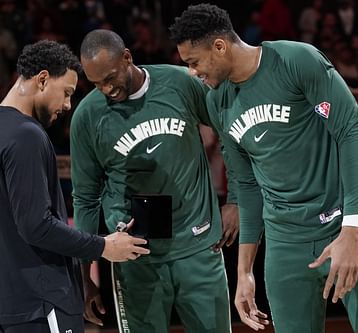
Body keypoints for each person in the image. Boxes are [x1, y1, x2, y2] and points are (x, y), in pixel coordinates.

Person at [169, 3, 358, 333]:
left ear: (220, 46)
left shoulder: (296, 60)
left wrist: (352, 228)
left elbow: (350, 130)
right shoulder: (217, 101)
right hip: (285, 243)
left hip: (344, 224)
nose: (192, 72)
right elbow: (247, 185)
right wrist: (245, 272)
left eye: (193, 62)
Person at [0, 40, 149, 333]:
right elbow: (36, 226)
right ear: (42, 79)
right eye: (66, 93)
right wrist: (103, 246)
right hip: (43, 302)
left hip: (13, 304)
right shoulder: (25, 135)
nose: (67, 105)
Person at [70, 29, 238, 333]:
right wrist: (84, 278)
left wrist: (236, 199)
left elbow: (231, 134)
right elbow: (85, 199)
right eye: (96, 83)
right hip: (135, 256)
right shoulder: (87, 117)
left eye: (110, 78)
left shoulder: (181, 83)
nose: (107, 89)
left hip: (198, 246)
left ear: (127, 58)